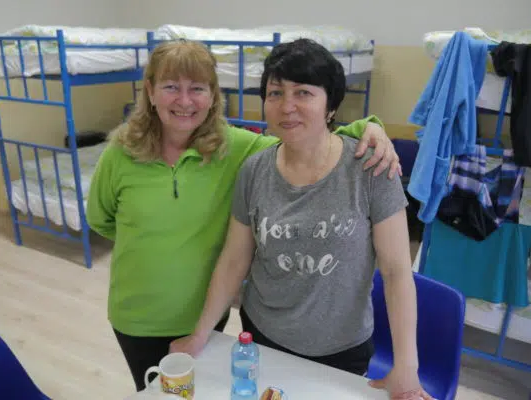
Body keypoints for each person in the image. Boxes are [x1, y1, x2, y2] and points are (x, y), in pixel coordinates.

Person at [86, 39, 401, 392]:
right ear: (150, 91)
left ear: (213, 95)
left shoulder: (235, 148)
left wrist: (366, 128)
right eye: (171, 87)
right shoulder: (120, 154)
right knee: (160, 393)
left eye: (198, 89)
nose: (185, 101)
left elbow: (307, 142)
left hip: (205, 315)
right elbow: (101, 220)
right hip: (138, 315)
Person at [169, 39, 432, 400]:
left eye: (303, 92)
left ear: (330, 105)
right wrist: (200, 334)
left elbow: (397, 272)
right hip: (261, 337)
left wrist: (406, 366)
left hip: (341, 351)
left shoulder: (370, 169)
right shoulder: (254, 170)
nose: (287, 106)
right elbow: (234, 260)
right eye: (275, 93)